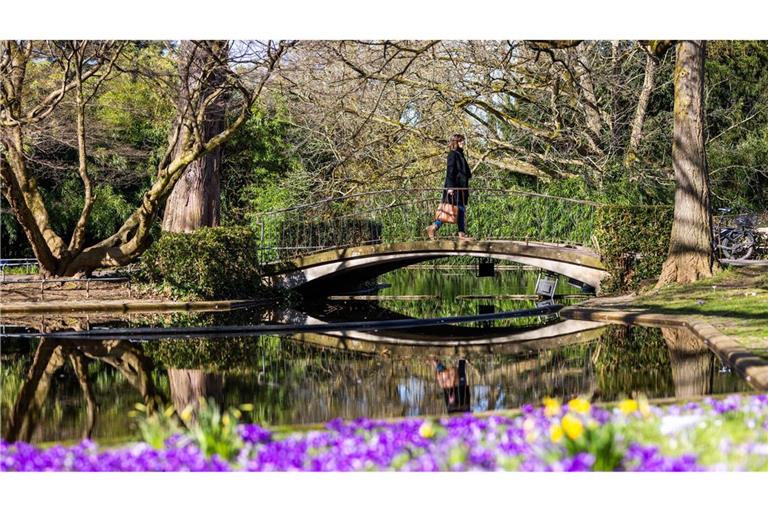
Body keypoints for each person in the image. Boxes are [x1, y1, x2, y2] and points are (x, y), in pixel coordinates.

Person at [426, 134, 473, 241]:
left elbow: (465, 173)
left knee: (459, 210)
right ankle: (435, 228)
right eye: (460, 141)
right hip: (454, 188)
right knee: (451, 210)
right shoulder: (452, 154)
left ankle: (459, 234)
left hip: (461, 189)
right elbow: (450, 171)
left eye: (463, 141)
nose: (463, 143)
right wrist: (450, 187)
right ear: (455, 142)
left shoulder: (460, 154)